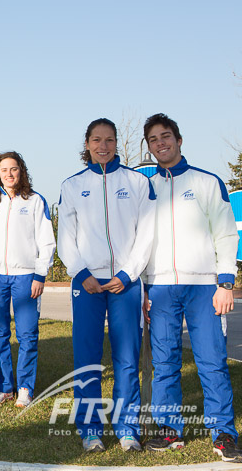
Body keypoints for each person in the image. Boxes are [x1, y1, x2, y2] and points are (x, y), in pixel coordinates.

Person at [141, 113, 242, 462]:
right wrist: (142, 288)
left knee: (212, 362)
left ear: (179, 140)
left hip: (204, 287)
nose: (160, 143)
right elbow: (138, 241)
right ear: (149, 146)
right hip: (160, 287)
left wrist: (226, 282)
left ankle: (224, 434)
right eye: (153, 139)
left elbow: (227, 233)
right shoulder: (146, 188)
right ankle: (170, 432)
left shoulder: (206, 182)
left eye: (165, 136)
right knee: (165, 362)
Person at [57, 118, 155, 453]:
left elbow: (147, 234)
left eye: (109, 140)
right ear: (87, 144)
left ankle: (127, 429)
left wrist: (128, 275)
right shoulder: (72, 185)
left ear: (117, 144)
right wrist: (82, 273)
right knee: (87, 357)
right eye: (97, 140)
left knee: (127, 357)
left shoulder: (137, 182)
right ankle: (90, 430)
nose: (104, 146)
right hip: (87, 283)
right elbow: (65, 238)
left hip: (124, 283)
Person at [0, 151, 55, 407]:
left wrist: (40, 274)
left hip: (26, 276)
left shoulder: (35, 201)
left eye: (14, 169)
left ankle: (25, 388)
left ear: (22, 172)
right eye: (4, 170)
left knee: (28, 334)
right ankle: (6, 386)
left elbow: (46, 241)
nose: (9, 174)